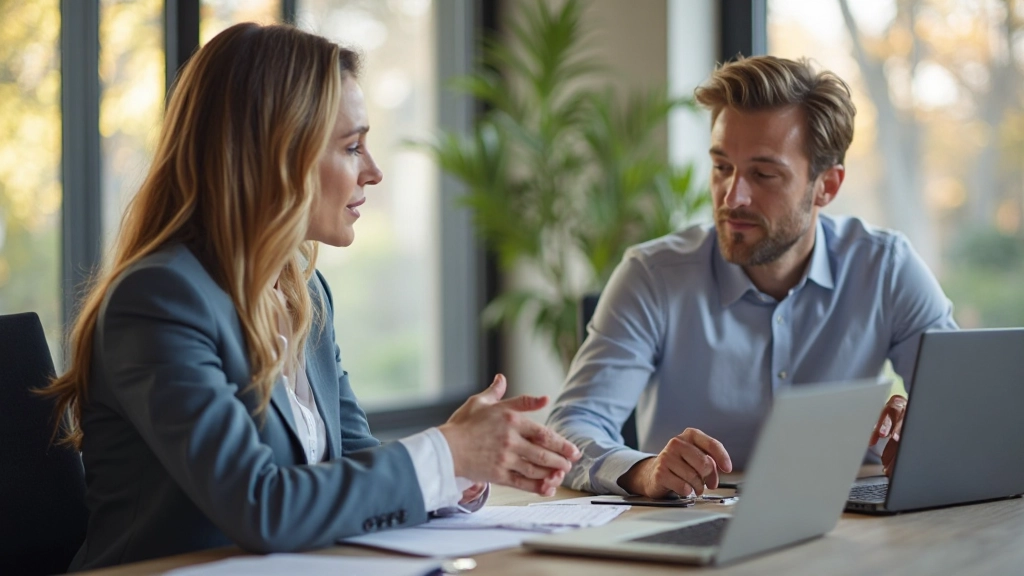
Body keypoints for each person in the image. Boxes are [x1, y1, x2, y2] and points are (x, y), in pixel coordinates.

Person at [41, 23, 579, 571]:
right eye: (351, 147)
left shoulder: (305, 295)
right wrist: (446, 452)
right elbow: (261, 505)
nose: (374, 171)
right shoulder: (160, 299)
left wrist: (463, 470)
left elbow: (349, 459)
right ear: (275, 157)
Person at [547, 55, 956, 499]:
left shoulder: (886, 268)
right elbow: (572, 427)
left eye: (763, 174)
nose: (733, 196)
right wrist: (643, 471)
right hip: (692, 533)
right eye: (722, 167)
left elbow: (967, 407)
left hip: (843, 528)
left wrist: (923, 432)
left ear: (827, 186)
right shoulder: (653, 275)